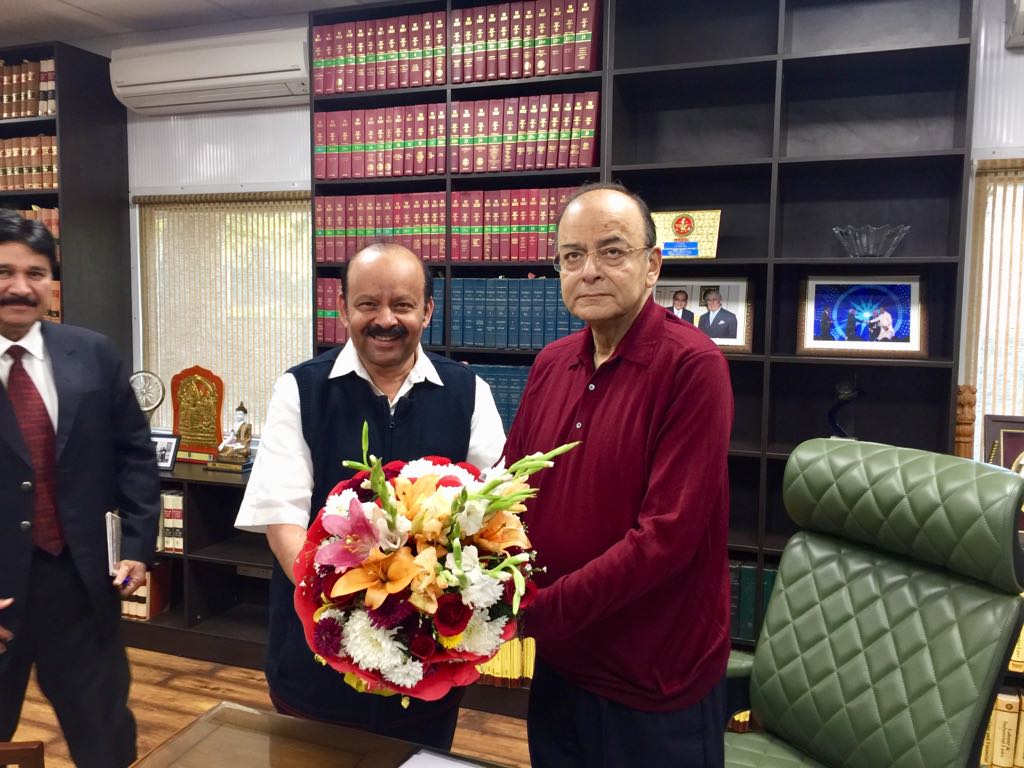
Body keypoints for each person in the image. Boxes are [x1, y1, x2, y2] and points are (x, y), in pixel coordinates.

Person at [234, 243, 505, 749]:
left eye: (402, 305)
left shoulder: (470, 392)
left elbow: (494, 521)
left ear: (427, 310)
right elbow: (282, 518)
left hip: (427, 659)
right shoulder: (300, 390)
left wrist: (416, 616)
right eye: (367, 305)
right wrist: (351, 615)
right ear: (342, 309)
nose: (385, 320)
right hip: (317, 655)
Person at [504, 183, 733, 767]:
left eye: (612, 251)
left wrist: (534, 613)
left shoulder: (693, 366)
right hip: (561, 663)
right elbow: (510, 492)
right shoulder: (552, 363)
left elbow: (665, 539)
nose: (589, 271)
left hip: (651, 679)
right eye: (572, 256)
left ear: (653, 264)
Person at [0, 209, 159, 768]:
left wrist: (138, 549)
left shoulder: (92, 353)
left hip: (82, 587)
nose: (21, 287)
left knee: (106, 738)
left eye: (36, 272)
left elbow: (134, 456)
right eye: (5, 270)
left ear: (52, 282)